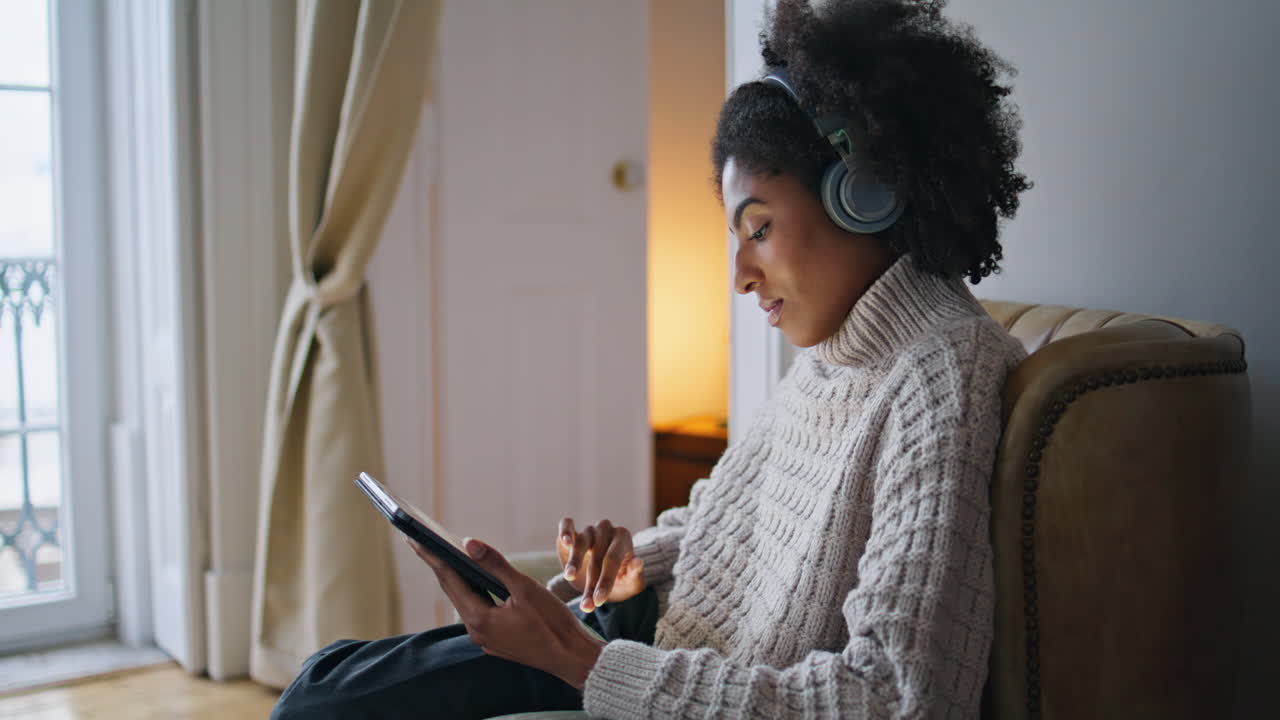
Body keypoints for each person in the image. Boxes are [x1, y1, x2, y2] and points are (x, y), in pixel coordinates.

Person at [272, 0, 1032, 716]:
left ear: (864, 195)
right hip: (646, 632)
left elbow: (900, 697)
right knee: (326, 675)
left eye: (759, 227)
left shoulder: (939, 371)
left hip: (648, 673)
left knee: (320, 702)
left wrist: (580, 660)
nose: (739, 274)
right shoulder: (840, 346)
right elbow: (725, 531)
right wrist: (633, 560)